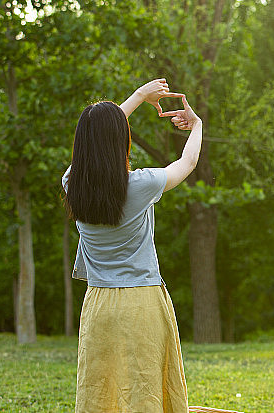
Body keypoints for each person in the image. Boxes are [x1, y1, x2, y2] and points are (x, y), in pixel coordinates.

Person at [62, 78, 202, 413]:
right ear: (121, 141)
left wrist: (138, 97)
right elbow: (189, 163)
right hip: (142, 302)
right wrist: (197, 125)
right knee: (146, 393)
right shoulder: (141, 185)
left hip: (98, 305)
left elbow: (98, 139)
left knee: (101, 393)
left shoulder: (71, 185)